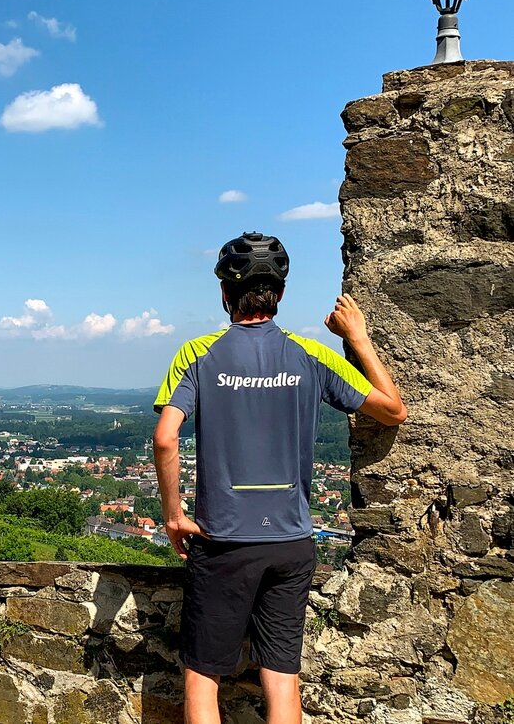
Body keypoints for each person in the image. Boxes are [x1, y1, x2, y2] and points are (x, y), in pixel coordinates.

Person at [151, 231, 407, 724]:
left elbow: (166, 439)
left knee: (203, 680)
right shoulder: (310, 354)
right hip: (292, 540)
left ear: (225, 294)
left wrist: (174, 516)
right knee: (283, 682)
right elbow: (393, 411)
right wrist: (358, 338)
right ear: (280, 294)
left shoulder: (197, 355)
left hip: (223, 541)